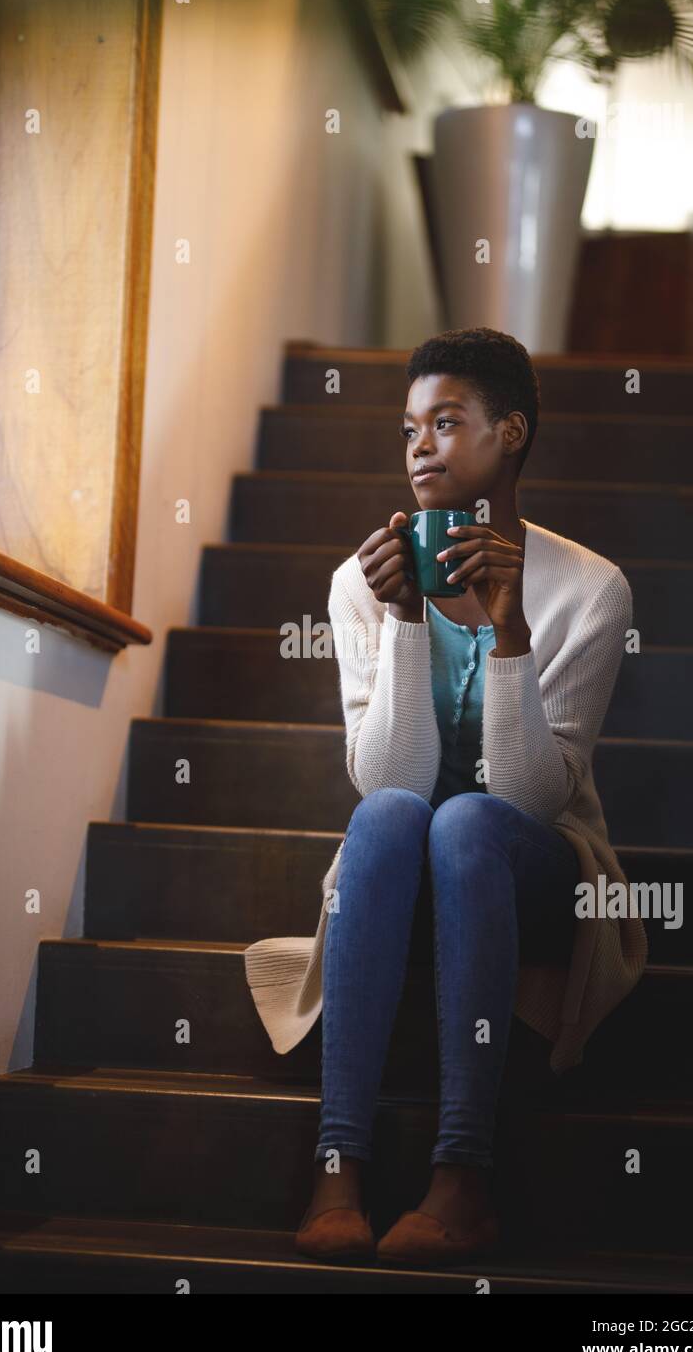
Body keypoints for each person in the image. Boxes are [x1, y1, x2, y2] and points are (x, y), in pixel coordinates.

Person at [242, 326, 648, 1268]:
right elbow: (388, 779)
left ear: (511, 434)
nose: (419, 445)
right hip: (404, 858)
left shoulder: (590, 591)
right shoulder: (361, 582)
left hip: (537, 867)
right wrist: (403, 619)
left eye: (447, 422)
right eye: (408, 428)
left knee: (469, 821)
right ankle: (337, 1164)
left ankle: (462, 1178)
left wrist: (511, 635)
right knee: (390, 815)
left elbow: (532, 800)